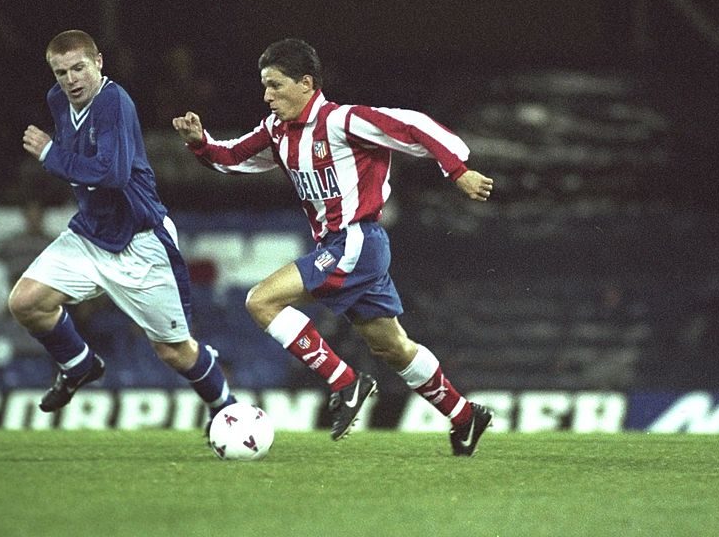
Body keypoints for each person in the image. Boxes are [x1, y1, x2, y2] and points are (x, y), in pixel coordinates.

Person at [173, 38, 495, 456]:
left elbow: (414, 125)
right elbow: (234, 158)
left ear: (306, 83)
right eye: (265, 86)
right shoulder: (277, 131)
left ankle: (345, 381)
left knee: (260, 301)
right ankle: (465, 415)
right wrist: (201, 142)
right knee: (392, 348)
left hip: (357, 239)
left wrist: (458, 170)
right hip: (346, 247)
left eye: (275, 85)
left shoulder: (344, 121)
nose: (267, 96)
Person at [8, 30, 235, 428]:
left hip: (141, 240)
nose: (71, 79)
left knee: (174, 352)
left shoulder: (114, 101)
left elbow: (111, 174)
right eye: (61, 72)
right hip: (90, 234)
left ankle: (226, 407)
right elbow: (83, 165)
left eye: (79, 68)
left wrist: (49, 154)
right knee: (26, 302)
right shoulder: (57, 100)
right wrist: (58, 158)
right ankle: (78, 365)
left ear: (98, 63)